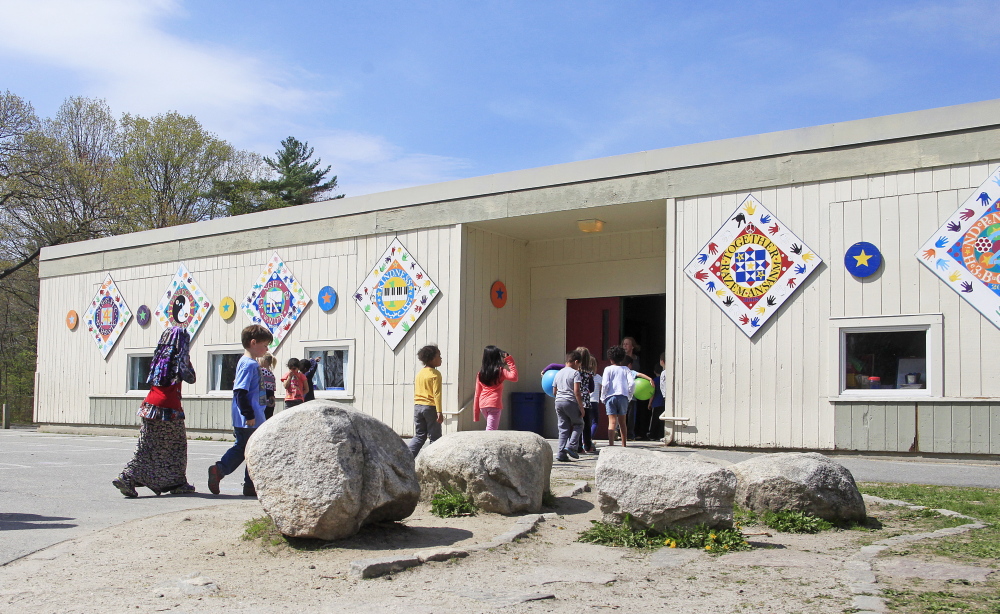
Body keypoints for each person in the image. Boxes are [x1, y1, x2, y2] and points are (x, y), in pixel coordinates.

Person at [113, 326, 197, 497]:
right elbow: (191, 377)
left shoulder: (159, 357)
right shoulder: (180, 359)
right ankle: (131, 477)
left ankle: (167, 481)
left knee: (148, 447)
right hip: (169, 409)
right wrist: (185, 357)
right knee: (176, 447)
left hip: (150, 406)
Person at [208, 324, 272, 497]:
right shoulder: (248, 365)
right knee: (244, 448)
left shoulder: (250, 363)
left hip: (255, 416)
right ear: (253, 342)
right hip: (249, 419)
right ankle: (219, 470)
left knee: (252, 451)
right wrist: (248, 414)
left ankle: (250, 486)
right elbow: (240, 392)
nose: (267, 349)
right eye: (265, 345)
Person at [408, 345, 443, 457]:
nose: (441, 358)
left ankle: (407, 457)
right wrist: (439, 412)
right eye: (439, 356)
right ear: (431, 358)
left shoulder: (420, 373)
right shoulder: (435, 374)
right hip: (430, 407)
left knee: (420, 436)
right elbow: (437, 394)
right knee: (435, 438)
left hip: (418, 407)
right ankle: (433, 460)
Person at [473, 345, 519, 431]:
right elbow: (514, 377)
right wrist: (509, 360)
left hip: (483, 405)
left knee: (490, 427)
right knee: (491, 430)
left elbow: (477, 394)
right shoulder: (500, 372)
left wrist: (476, 414)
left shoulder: (480, 374)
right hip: (494, 404)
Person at [552, 349, 586, 462]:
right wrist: (581, 407)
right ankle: (571, 446)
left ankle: (561, 453)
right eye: (579, 364)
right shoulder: (575, 373)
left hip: (558, 402)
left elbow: (554, 391)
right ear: (576, 362)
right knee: (579, 424)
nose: (579, 367)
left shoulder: (558, 373)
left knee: (563, 428)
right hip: (570, 401)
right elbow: (577, 391)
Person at [601, 345, 632, 448]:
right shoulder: (626, 369)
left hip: (610, 396)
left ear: (610, 358)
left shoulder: (608, 369)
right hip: (623, 396)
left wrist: (603, 396)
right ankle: (624, 444)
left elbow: (605, 384)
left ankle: (611, 444)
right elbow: (632, 383)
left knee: (612, 421)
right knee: (622, 422)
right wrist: (629, 395)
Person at [580, 355, 599, 454]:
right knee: (591, 423)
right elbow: (592, 388)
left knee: (578, 423)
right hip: (590, 401)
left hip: (578, 401)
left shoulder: (576, 373)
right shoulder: (593, 375)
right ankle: (587, 443)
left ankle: (577, 445)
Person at [648, 353, 666, 441]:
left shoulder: (654, 381)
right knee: (663, 419)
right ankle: (661, 434)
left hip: (656, 403)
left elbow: (652, 393)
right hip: (663, 402)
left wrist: (649, 403)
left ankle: (652, 434)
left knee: (654, 419)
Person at [258, 353, 276, 420]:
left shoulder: (261, 371)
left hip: (261, 399)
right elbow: (273, 389)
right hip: (270, 401)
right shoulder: (272, 374)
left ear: (264, 361)